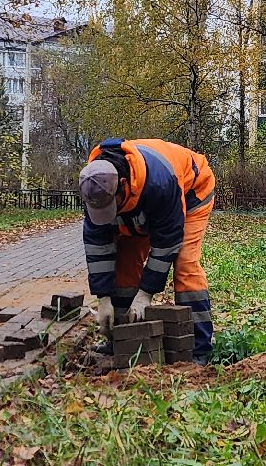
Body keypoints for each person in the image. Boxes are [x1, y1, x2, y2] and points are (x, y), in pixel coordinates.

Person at [77, 138, 216, 362]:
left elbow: (167, 242)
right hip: (139, 201)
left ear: (122, 183)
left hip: (191, 190)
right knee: (125, 260)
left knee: (185, 265)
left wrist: (145, 294)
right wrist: (103, 298)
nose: (108, 214)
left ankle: (199, 348)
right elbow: (97, 245)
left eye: (111, 206)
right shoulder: (95, 186)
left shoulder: (160, 183)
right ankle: (121, 340)